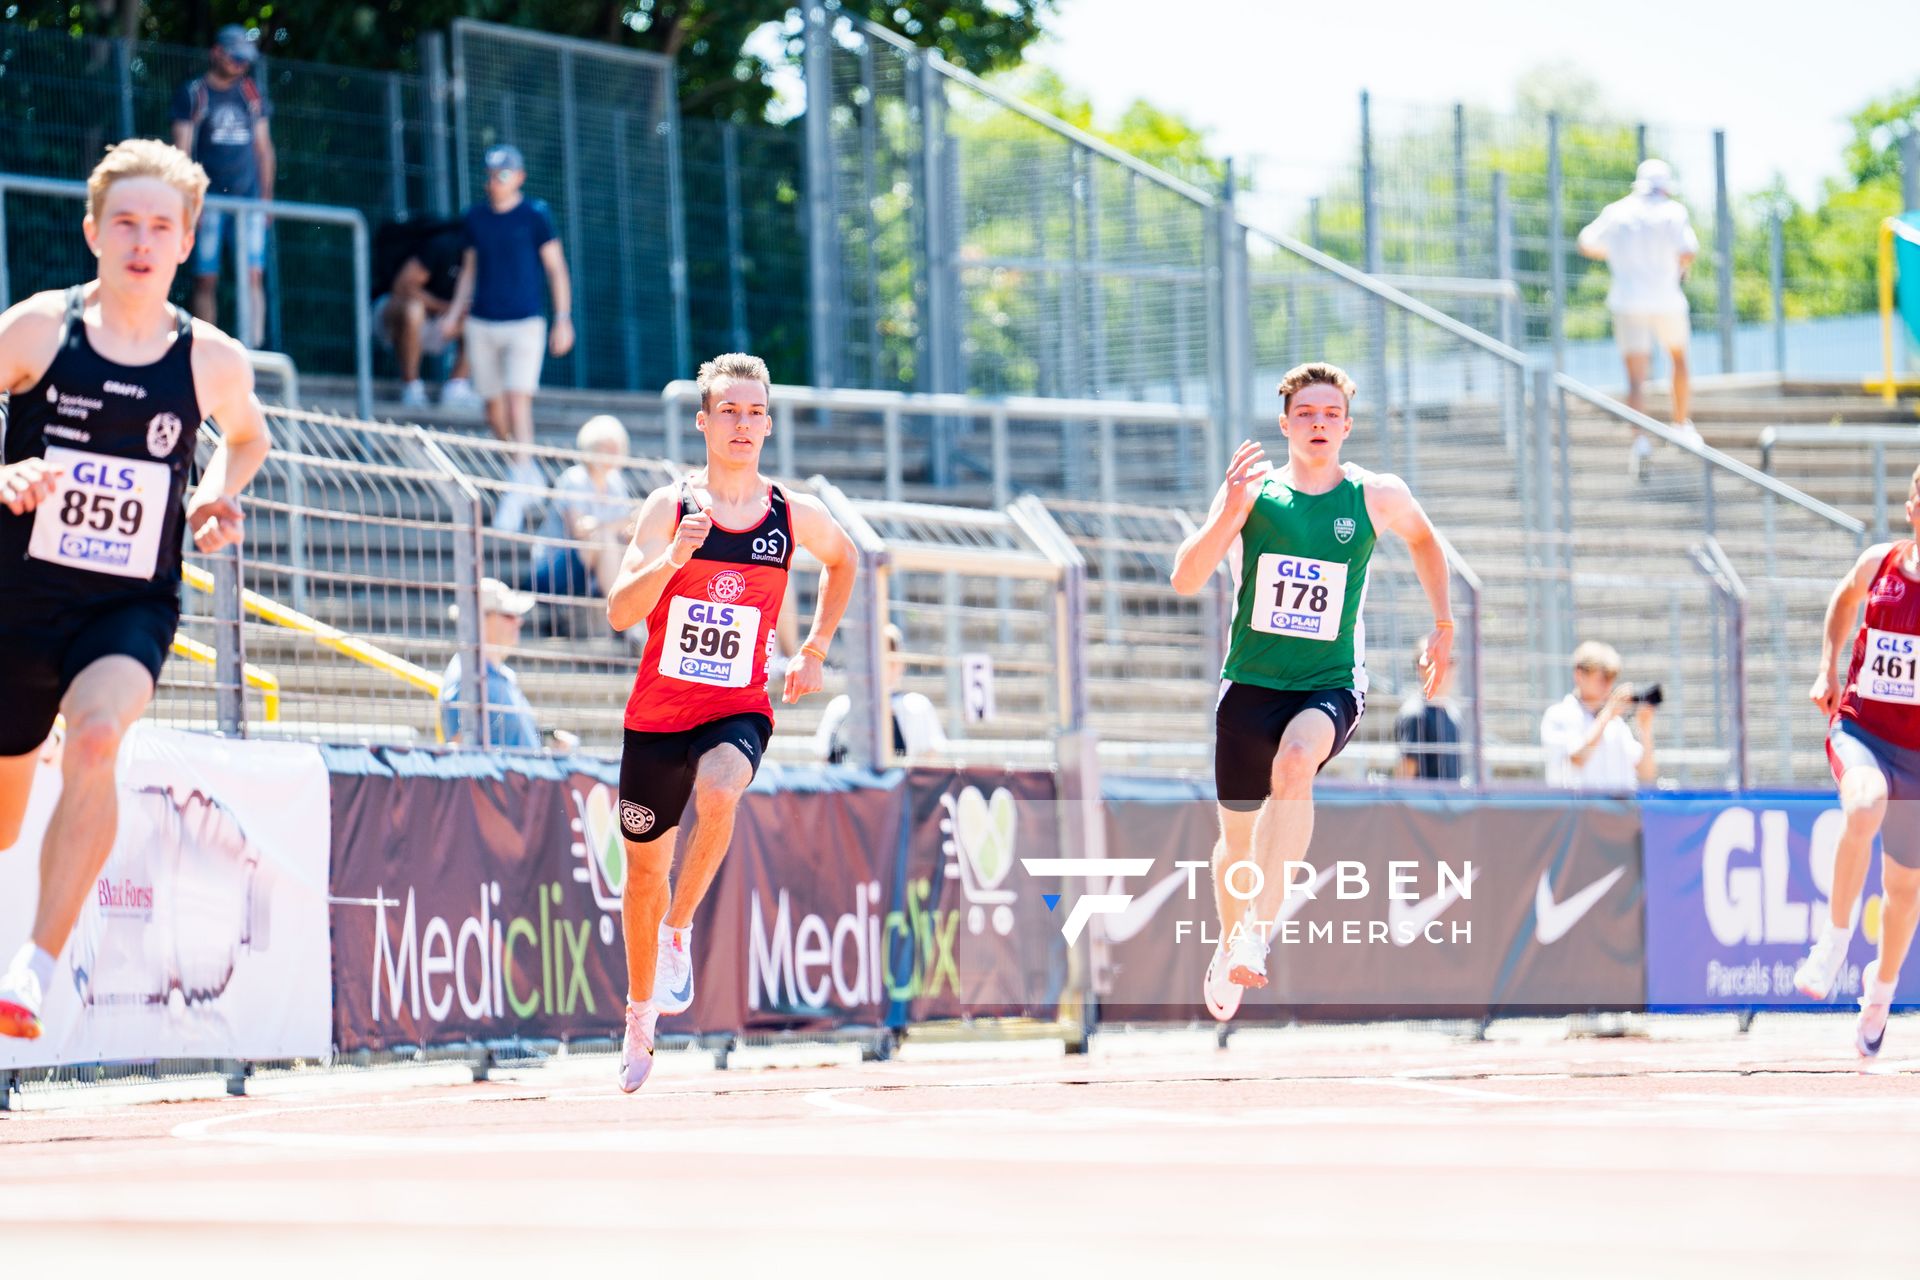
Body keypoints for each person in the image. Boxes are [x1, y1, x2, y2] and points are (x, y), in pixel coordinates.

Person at [0, 139, 270, 1040]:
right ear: (92, 231)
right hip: (16, 598)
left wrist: (212, 492)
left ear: (188, 240)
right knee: (2, 822)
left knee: (99, 737)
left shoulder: (211, 361)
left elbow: (247, 437)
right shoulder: (39, 329)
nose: (143, 240)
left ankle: (34, 971)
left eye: (163, 225)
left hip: (128, 604)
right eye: (126, 222)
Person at [1169, 362, 1455, 1022]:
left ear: (1347, 426)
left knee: (1296, 765)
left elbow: (1426, 541)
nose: (1319, 423)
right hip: (1249, 683)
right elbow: (1186, 577)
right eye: (1306, 414)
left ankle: (1256, 933)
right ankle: (1230, 936)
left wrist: (1442, 626)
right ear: (1285, 425)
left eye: (1330, 414)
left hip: (1329, 682)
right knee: (1234, 846)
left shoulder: (1376, 496)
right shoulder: (1253, 490)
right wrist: (1231, 512)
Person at [605, 352, 858, 1091]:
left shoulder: (790, 515)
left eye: (754, 413)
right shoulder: (669, 509)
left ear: (768, 424)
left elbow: (845, 562)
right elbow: (620, 609)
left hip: (736, 707)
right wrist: (669, 562)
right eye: (729, 412)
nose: (742, 424)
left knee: (723, 785)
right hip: (656, 717)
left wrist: (812, 649)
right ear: (704, 422)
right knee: (644, 874)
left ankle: (680, 931)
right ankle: (640, 1012)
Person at [1791, 463, 1920, 1057]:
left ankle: (1881, 992)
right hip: (1863, 728)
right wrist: (1827, 666)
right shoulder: (1880, 564)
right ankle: (1835, 940)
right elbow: (1843, 601)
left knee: (1904, 889)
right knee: (1864, 803)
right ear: (1911, 506)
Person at [442, 144, 574, 533]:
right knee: (492, 409)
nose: (495, 181)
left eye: (503, 174)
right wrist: (453, 314)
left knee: (519, 402)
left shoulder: (536, 215)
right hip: (482, 323)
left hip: (525, 324)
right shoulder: (476, 218)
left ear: (519, 177)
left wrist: (563, 319)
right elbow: (469, 271)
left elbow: (556, 269)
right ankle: (525, 469)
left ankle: (516, 488)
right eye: (491, 174)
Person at [1576, 158, 1702, 482]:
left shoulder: (1617, 211)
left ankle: (1641, 441)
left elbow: (1586, 243)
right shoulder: (1674, 212)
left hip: (1628, 300)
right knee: (1678, 359)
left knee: (1635, 378)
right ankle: (1681, 424)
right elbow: (1688, 249)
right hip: (1666, 299)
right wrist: (1678, 267)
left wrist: (1617, 252)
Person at [171, 24, 273, 349]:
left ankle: (254, 354)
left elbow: (264, 149)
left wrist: (267, 199)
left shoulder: (251, 95)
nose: (241, 65)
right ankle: (205, 349)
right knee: (205, 278)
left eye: (245, 60)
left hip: (251, 202)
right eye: (235, 57)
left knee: (253, 277)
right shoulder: (193, 93)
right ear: (217, 52)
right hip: (209, 202)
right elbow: (182, 152)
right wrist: (191, 200)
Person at [528, 415, 635, 634]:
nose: (614, 452)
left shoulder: (615, 482)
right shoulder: (575, 478)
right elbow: (580, 529)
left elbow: (624, 528)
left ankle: (627, 616)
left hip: (595, 567)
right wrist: (616, 525)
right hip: (556, 568)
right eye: (607, 446)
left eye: (617, 447)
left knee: (619, 542)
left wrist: (616, 526)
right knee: (602, 539)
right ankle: (627, 619)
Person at [373, 219, 478, 409]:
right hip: (392, 317)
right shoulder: (444, 245)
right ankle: (411, 387)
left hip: (439, 324)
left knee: (481, 317)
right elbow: (403, 286)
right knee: (413, 309)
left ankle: (456, 388)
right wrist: (445, 307)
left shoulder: (489, 260)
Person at [813, 623, 951, 762]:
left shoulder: (917, 707)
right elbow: (826, 760)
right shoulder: (840, 707)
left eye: (887, 658)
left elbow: (931, 760)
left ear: (899, 663)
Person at [1538, 641, 1658, 790]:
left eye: (1611, 678)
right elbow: (1577, 759)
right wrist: (1607, 715)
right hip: (1576, 811)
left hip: (1618, 812)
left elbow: (1646, 775)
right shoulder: (1559, 715)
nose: (1608, 686)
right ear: (1579, 675)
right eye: (1602, 679)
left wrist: (1645, 728)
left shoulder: (1617, 724)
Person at [439, 577, 543, 749]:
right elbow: (460, 754)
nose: (519, 621)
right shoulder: (466, 679)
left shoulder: (501, 674)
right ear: (480, 620)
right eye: (508, 615)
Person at [1396, 644, 1463, 782]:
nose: (1447, 668)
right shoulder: (1414, 714)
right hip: (1424, 802)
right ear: (1421, 668)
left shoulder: (1453, 712)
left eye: (1450, 661)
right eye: (1440, 661)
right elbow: (1404, 779)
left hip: (1451, 801)